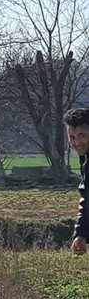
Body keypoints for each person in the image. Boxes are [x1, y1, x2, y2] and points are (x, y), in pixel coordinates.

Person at [66, 108, 89, 256]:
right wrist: (80, 233)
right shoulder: (85, 158)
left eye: (82, 135)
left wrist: (81, 233)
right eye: (72, 137)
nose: (77, 142)